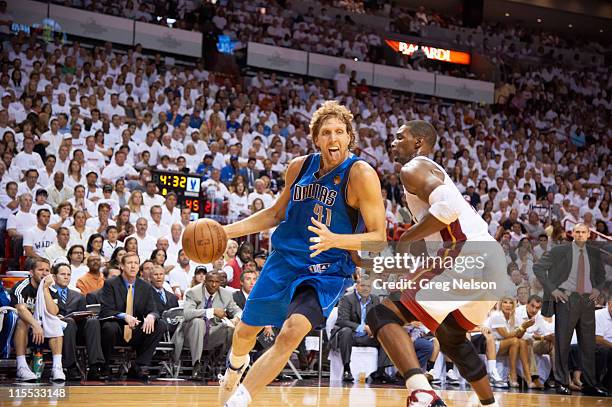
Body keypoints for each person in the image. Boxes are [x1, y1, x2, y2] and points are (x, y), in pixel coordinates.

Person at [222, 101, 386, 406]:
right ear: (317, 139)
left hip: (326, 269)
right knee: (245, 332)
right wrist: (224, 232)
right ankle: (234, 367)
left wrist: (336, 239)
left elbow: (379, 238)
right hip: (284, 261)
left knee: (291, 332)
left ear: (350, 137)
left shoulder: (361, 173)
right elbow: (274, 214)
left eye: (339, 132)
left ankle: (239, 400)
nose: (333, 138)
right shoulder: (299, 166)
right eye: (326, 133)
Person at [363, 121, 507, 407]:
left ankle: (421, 393)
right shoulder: (431, 171)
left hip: (466, 254)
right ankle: (489, 403)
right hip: (492, 259)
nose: (392, 142)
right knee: (451, 336)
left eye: (399, 137)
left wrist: (406, 236)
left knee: (381, 314)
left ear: (418, 143)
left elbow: (447, 209)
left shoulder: (413, 168)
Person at [533, 223, 607, 396]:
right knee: (562, 343)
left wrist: (597, 288)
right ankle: (561, 382)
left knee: (588, 345)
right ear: (572, 233)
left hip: (588, 301)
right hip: (566, 299)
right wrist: (553, 289)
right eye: (577, 232)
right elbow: (538, 268)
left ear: (589, 234)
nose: (580, 235)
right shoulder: (560, 251)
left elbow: (601, 276)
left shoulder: (595, 253)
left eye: (583, 232)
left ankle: (589, 384)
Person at [98, 252, 165, 381]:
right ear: (122, 266)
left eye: (136, 263)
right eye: (129, 263)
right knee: (109, 327)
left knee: (160, 324)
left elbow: (154, 310)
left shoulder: (145, 286)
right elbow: (106, 311)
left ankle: (139, 365)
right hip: (117, 329)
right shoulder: (110, 284)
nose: (133, 266)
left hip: (135, 332)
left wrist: (151, 316)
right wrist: (124, 316)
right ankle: (105, 366)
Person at [177, 271, 242, 380]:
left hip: (212, 334)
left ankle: (217, 363)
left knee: (230, 328)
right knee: (198, 322)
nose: (214, 285)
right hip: (190, 334)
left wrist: (236, 318)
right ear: (205, 282)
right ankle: (196, 366)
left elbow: (237, 310)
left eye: (217, 282)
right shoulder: (193, 292)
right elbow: (187, 314)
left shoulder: (226, 294)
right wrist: (212, 311)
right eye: (211, 281)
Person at [10, 258, 65, 381]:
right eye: (40, 270)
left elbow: (53, 312)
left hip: (43, 329)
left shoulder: (51, 288)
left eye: (47, 270)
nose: (44, 273)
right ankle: (22, 366)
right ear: (31, 272)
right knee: (22, 322)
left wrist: (45, 289)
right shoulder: (22, 286)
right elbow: (20, 308)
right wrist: (35, 325)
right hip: (25, 329)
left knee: (55, 322)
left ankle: (57, 367)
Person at [330, 276, 393, 383]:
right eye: (363, 285)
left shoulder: (375, 299)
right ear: (356, 287)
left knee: (385, 334)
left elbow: (377, 319)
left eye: (368, 286)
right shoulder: (346, 299)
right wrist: (363, 327)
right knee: (346, 331)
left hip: (367, 337)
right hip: (351, 336)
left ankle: (380, 371)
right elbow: (342, 321)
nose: (366, 288)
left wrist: (375, 329)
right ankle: (347, 369)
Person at [52, 262, 106, 381]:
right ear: (54, 277)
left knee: (92, 321)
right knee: (69, 322)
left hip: (77, 332)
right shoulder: (48, 293)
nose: (66, 277)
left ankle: (95, 367)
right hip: (57, 331)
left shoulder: (79, 296)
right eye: (62, 274)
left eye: (68, 274)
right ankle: (70, 366)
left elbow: (83, 317)